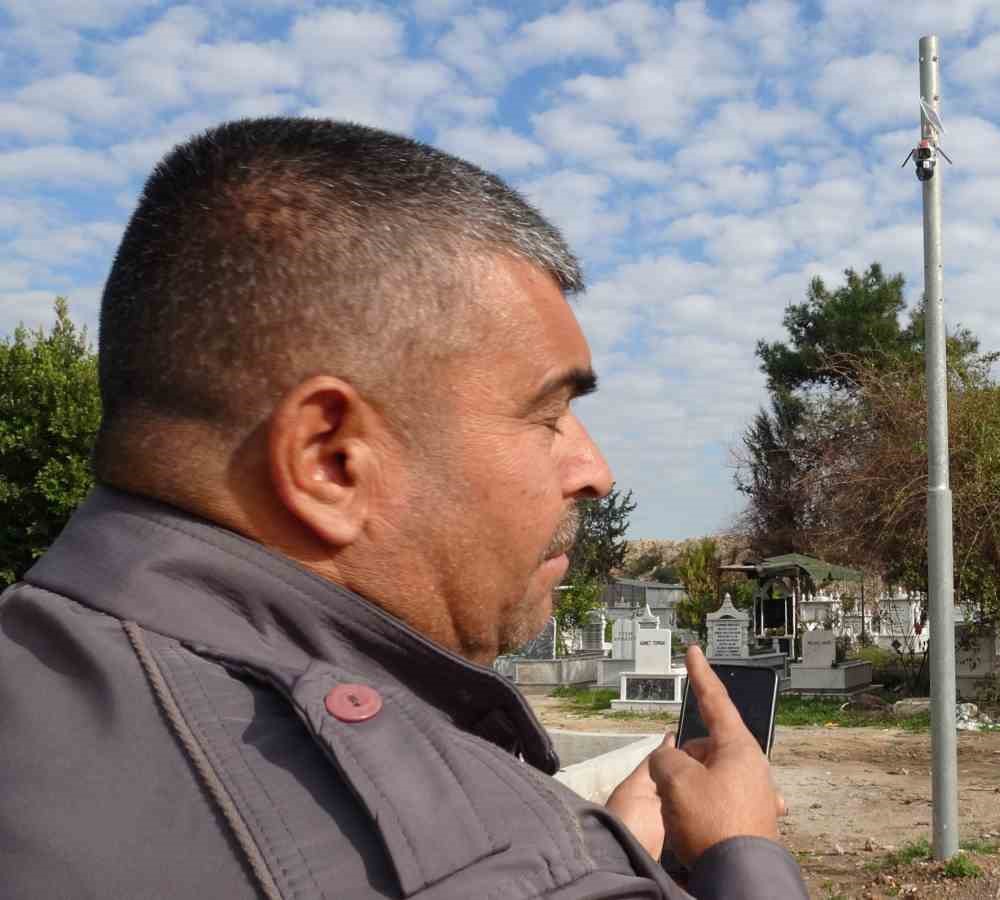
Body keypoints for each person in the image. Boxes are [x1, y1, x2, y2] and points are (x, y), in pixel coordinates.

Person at [0, 117, 806, 900]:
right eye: (549, 413)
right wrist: (741, 853)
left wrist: (606, 834)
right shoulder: (502, 868)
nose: (595, 471)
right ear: (330, 461)